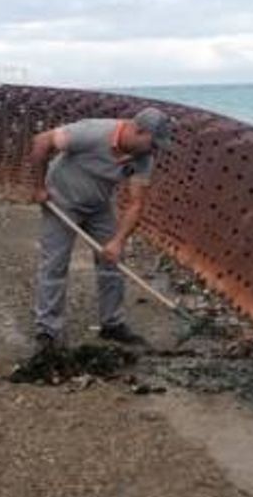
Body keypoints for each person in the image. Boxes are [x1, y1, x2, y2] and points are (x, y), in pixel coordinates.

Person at [24, 106, 173, 353]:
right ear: (138, 131)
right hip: (62, 201)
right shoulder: (92, 132)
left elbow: (136, 204)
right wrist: (39, 187)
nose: (154, 150)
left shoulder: (143, 158)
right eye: (153, 143)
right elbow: (41, 141)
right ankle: (48, 330)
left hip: (99, 205)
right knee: (54, 265)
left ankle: (112, 324)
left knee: (113, 263)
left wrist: (118, 241)